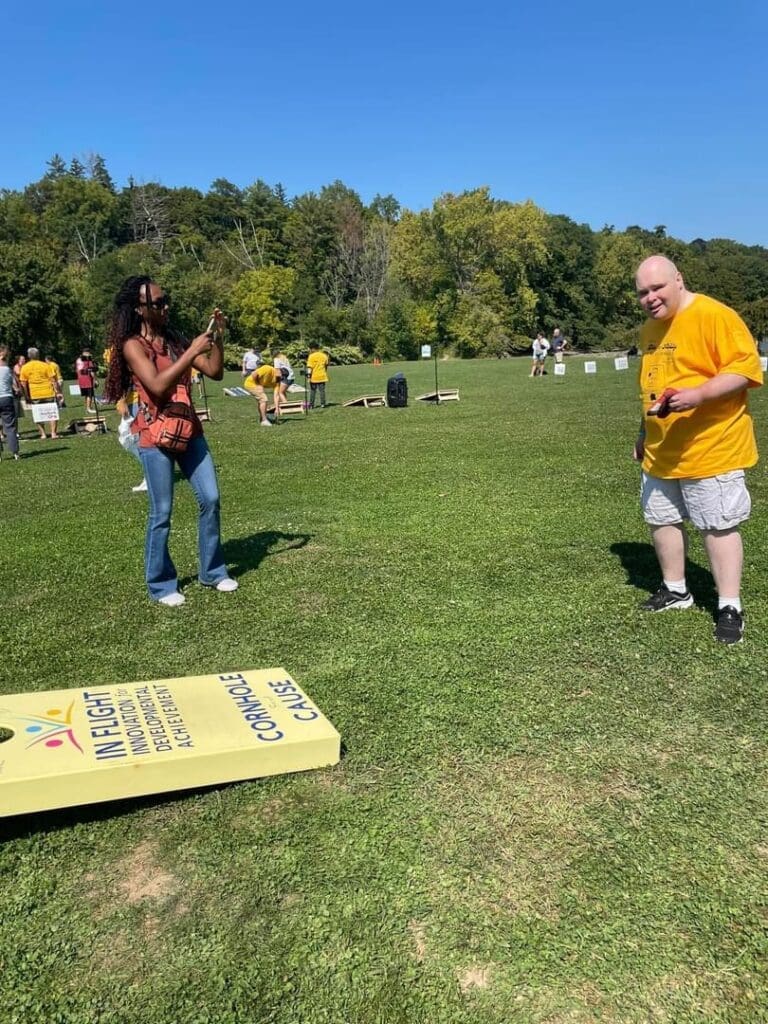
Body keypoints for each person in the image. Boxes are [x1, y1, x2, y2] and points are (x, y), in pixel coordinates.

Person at [633, 254, 762, 644]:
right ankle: (676, 590)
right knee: (661, 518)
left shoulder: (713, 315)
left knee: (718, 525)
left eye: (657, 288)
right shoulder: (649, 330)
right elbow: (650, 385)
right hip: (662, 450)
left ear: (679, 280)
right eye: (642, 292)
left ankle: (729, 604)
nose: (650, 298)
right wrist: (643, 432)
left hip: (712, 445)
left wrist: (699, 395)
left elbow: (745, 369)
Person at [104, 276, 238, 606]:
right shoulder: (133, 345)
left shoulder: (175, 342)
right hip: (153, 435)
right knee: (161, 512)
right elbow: (158, 385)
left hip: (189, 430)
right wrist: (191, 350)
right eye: (158, 302)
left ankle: (214, 572)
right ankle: (162, 585)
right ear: (140, 309)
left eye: (167, 300)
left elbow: (215, 371)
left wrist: (217, 340)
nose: (166, 307)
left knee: (211, 497)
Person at [19, 347, 61, 439]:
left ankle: (43, 434)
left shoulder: (25, 367)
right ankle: (53, 433)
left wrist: (26, 395)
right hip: (48, 392)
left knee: (38, 414)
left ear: (29, 356)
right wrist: (58, 392)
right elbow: (53, 380)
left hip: (35, 394)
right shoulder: (46, 365)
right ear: (38, 355)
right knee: (52, 413)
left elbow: (23, 383)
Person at [0, 346, 21, 460]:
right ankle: (15, 452)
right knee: (10, 426)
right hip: (6, 398)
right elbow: (14, 385)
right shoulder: (8, 369)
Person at [306, 343, 330, 407]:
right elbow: (326, 365)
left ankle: (311, 405)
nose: (309, 350)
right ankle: (323, 404)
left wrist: (308, 377)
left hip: (314, 376)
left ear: (313, 348)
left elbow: (309, 368)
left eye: (310, 349)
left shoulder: (311, 356)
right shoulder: (324, 355)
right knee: (322, 391)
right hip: (322, 376)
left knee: (313, 391)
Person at [75, 347, 97, 414]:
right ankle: (89, 409)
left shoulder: (78, 360)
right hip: (87, 379)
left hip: (81, 379)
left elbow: (77, 370)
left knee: (86, 395)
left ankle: (87, 408)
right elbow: (91, 371)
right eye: (89, 353)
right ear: (87, 353)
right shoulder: (88, 360)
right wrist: (95, 380)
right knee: (89, 395)